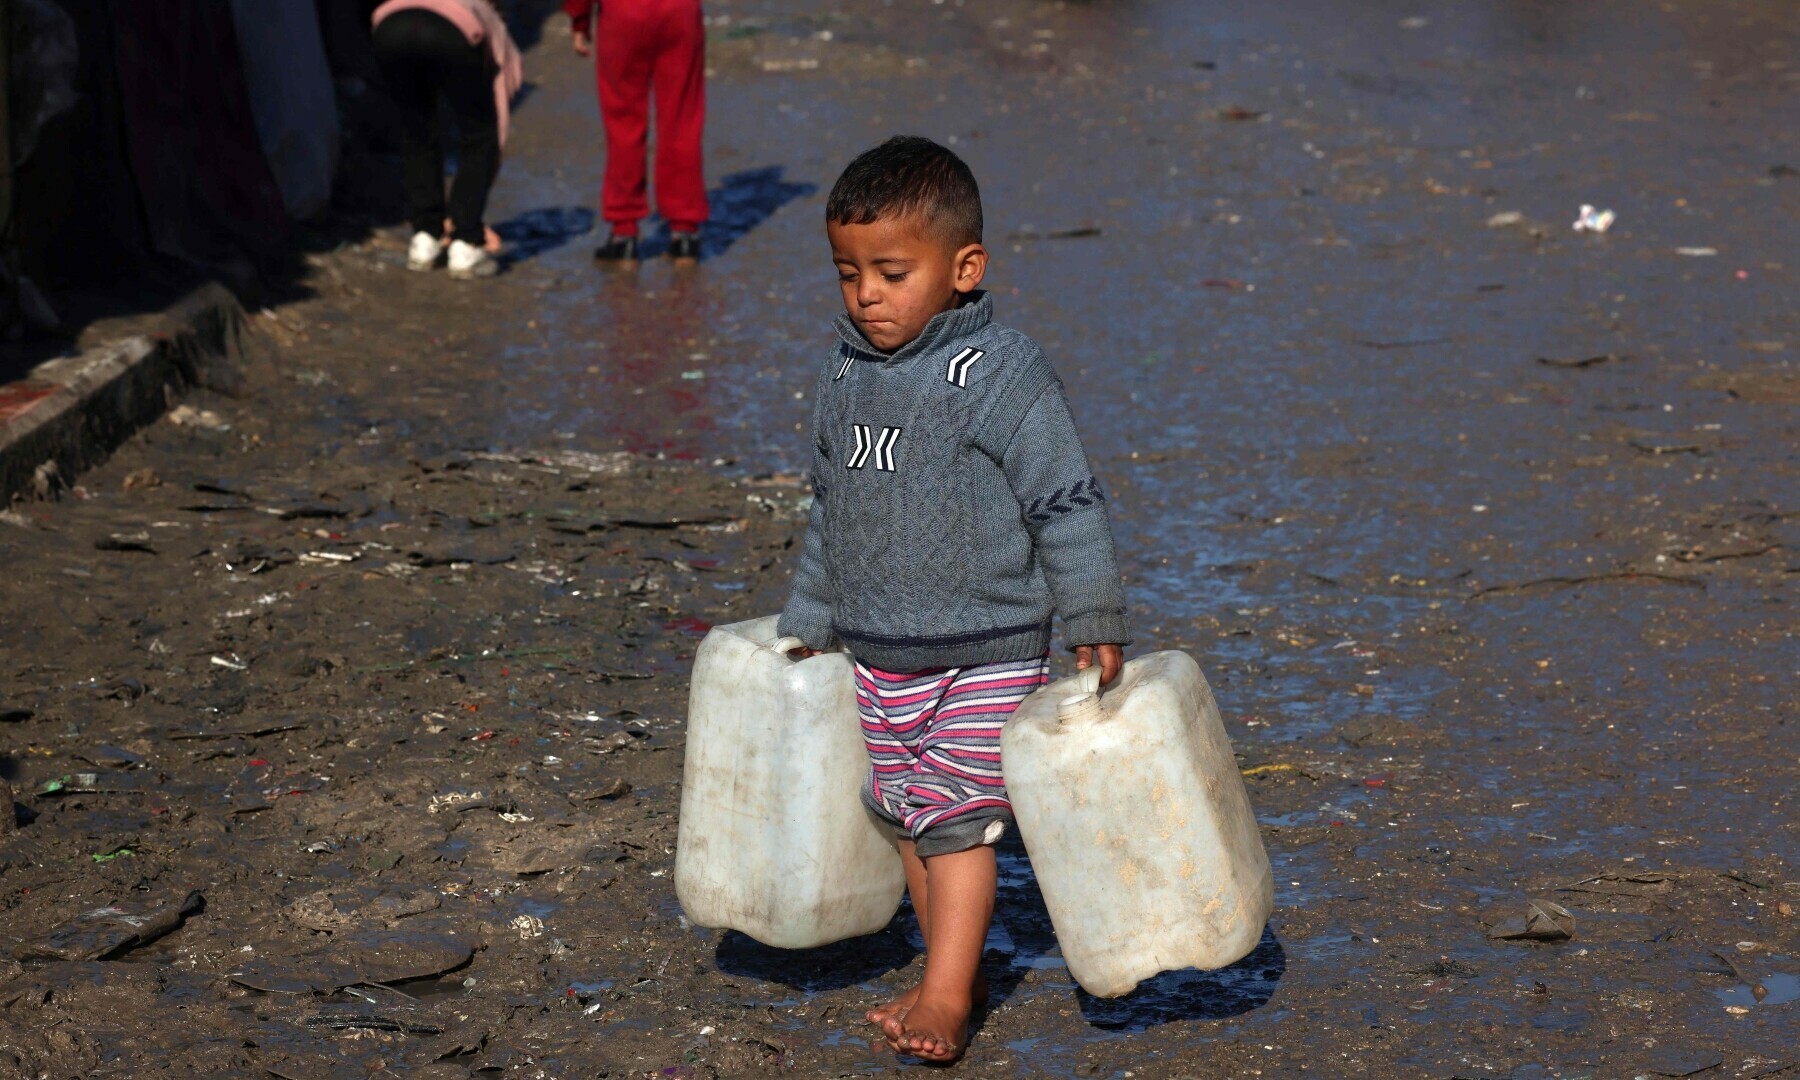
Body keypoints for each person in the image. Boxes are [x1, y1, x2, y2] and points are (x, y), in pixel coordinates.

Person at [776, 136, 1130, 1063]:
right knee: (900, 809)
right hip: (878, 651)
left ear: (965, 268)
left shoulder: (1001, 375)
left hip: (989, 646)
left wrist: (1091, 614)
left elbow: (1066, 500)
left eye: (892, 272)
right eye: (848, 273)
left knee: (954, 817)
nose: (867, 295)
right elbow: (832, 511)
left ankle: (943, 998)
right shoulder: (844, 377)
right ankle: (953, 976)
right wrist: (810, 617)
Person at [371, 0, 522, 279]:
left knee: (416, 130)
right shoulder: (491, 19)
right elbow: (496, 118)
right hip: (448, 33)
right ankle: (466, 243)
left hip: (388, 27)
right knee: (478, 132)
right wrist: (467, 213)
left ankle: (425, 238)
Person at [564, 0, 708, 265]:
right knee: (681, 120)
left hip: (623, 14)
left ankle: (624, 233)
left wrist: (580, 19)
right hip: (679, 12)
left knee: (623, 123)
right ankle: (684, 232)